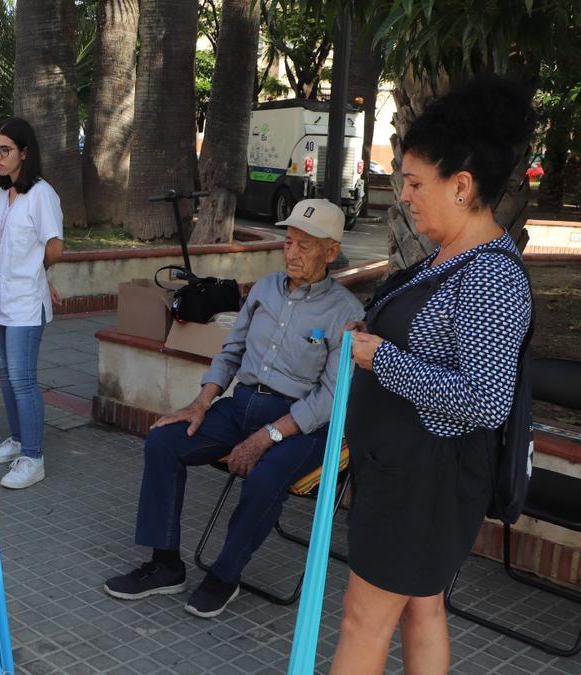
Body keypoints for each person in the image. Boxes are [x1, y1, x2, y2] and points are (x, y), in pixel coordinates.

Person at [331, 78, 535, 674]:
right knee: (422, 609)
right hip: (404, 469)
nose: (405, 196)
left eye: (416, 183)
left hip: (426, 481)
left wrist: (379, 359)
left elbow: (486, 399)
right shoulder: (449, 257)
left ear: (463, 186)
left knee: (361, 621)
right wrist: (366, 340)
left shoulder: (491, 276)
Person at [103, 199, 364, 618]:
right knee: (164, 441)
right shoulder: (263, 289)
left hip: (303, 426)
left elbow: (331, 398)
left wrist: (265, 438)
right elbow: (230, 352)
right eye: (289, 242)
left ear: (331, 252)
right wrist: (201, 402)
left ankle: (225, 576)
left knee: (263, 479)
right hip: (241, 404)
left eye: (306, 245)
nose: (292, 253)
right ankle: (166, 564)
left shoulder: (346, 312)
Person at [0, 117, 65, 489]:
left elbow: (55, 247)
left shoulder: (42, 194)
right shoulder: (1, 195)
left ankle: (33, 456)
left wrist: (35, 272)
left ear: (24, 153)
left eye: (5, 150)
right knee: (6, 377)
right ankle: (16, 440)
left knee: (23, 380)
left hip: (25, 304)